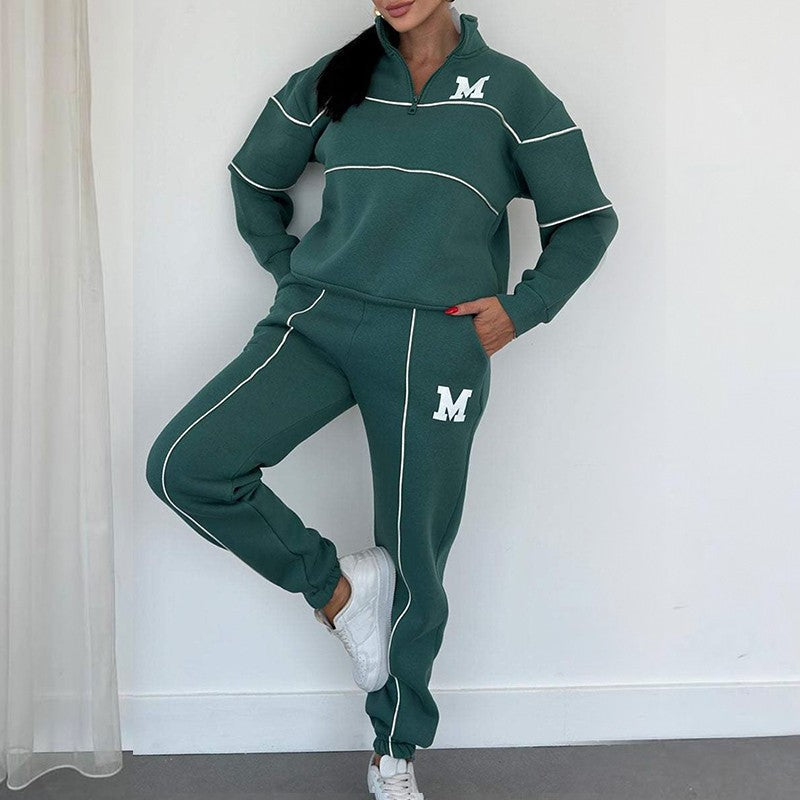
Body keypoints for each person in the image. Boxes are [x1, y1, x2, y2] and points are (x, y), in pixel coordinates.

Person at [145, 1, 618, 797]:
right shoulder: (334, 79)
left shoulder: (511, 92)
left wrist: (523, 308)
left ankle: (394, 752)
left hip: (438, 342)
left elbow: (588, 221)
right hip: (318, 323)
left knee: (414, 552)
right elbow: (252, 177)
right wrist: (288, 270)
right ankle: (338, 590)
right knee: (184, 466)